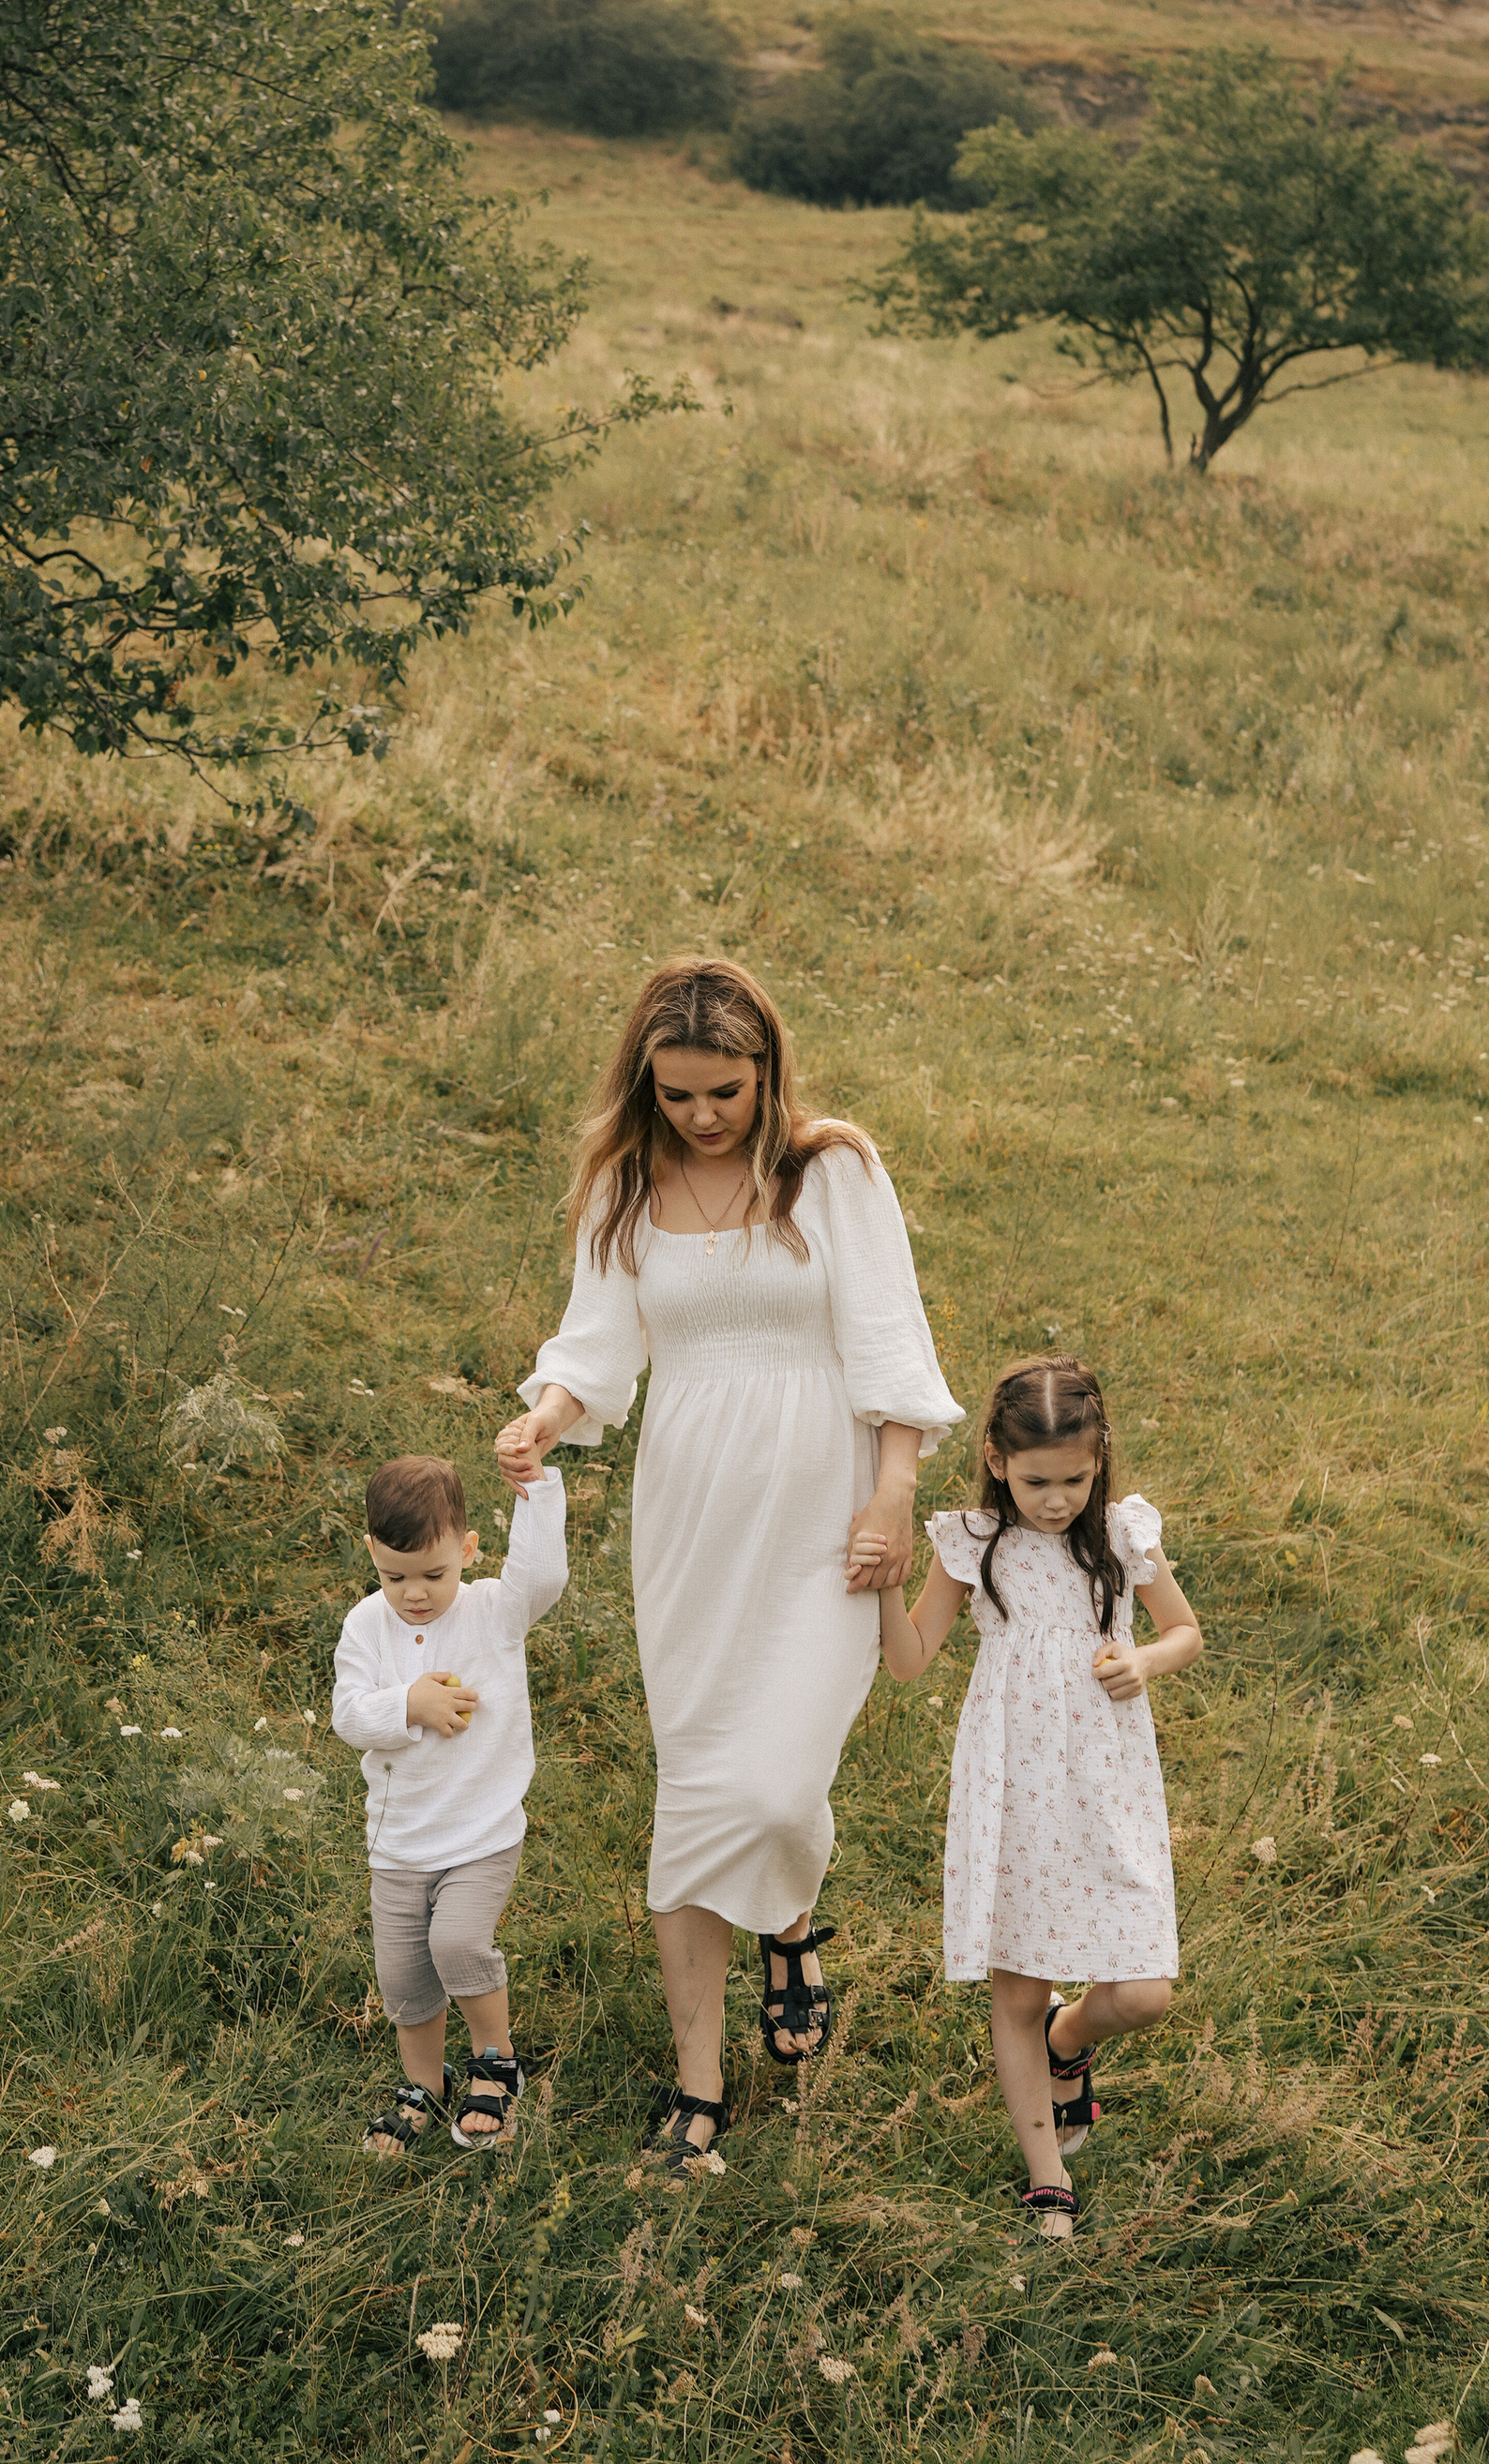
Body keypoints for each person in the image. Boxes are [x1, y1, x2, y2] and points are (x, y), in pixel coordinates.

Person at [493, 958, 962, 2184]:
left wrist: (894, 1492)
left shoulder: (832, 1170)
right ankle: (700, 2081)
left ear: (769, 1071)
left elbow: (890, 1341)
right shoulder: (625, 1186)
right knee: (706, 1784)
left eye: (728, 1089)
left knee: (777, 1779)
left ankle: (788, 1919)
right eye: (681, 1091)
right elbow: (597, 1346)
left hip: (821, 1505)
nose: (705, 1114)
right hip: (693, 1515)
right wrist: (545, 1416)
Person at [878, 1355, 1203, 2238]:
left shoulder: (1121, 1537)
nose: (1055, 1500)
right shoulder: (975, 1542)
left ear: (1100, 1463)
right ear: (994, 1458)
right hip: (1014, 1781)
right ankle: (1046, 2174)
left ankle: (1070, 2040)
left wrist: (1143, 1659)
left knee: (1142, 1994)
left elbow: (1184, 1632)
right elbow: (909, 1661)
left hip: (1106, 1779)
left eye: (1074, 1479)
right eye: (1034, 1481)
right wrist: (883, 1588)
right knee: (1016, 1991)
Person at [330, 1450, 567, 2156]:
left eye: (434, 1573)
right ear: (371, 1552)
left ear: (467, 1549)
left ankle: (495, 2063)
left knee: (457, 1944)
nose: (415, 1594)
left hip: (480, 1833)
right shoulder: (367, 1626)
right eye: (394, 1575)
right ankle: (421, 2087)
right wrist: (410, 1703)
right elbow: (348, 1715)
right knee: (404, 1975)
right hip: (398, 1843)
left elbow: (542, 1576)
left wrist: (536, 1490)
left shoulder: (494, 1612)